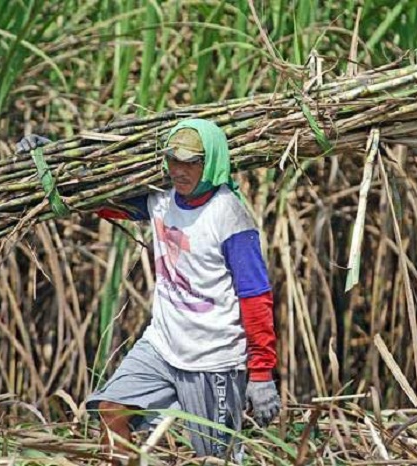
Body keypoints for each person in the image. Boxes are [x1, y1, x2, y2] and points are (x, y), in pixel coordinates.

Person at [16, 119, 280, 460]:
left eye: (191, 162)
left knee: (217, 458)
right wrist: (49, 158)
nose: (179, 170)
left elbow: (255, 297)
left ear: (212, 161)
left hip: (212, 359)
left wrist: (261, 373)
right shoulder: (160, 200)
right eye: (173, 160)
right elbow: (96, 199)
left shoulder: (229, 215)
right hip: (161, 346)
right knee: (111, 409)